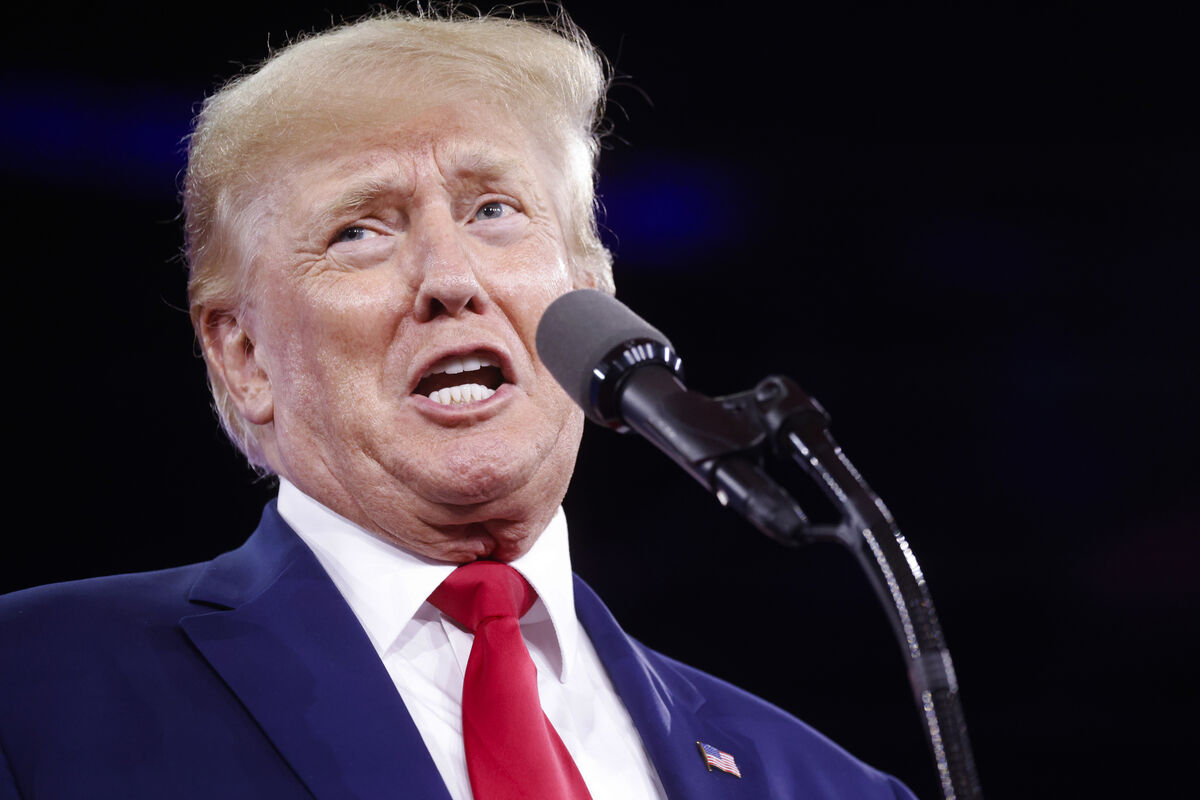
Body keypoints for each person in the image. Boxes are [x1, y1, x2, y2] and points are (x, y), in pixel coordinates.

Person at [0, 9, 917, 799]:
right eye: (359, 230)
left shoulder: (823, 783)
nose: (450, 278)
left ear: (592, 300)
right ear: (243, 357)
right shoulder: (36, 689)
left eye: (493, 211)